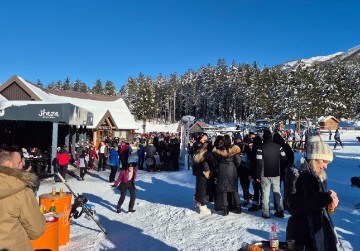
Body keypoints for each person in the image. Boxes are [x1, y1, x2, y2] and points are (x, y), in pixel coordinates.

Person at [285, 139, 341, 250]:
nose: (326, 166)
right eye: (324, 161)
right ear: (314, 157)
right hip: (302, 234)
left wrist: (331, 205)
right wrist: (324, 198)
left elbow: (321, 205)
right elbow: (293, 207)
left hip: (320, 230)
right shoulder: (296, 173)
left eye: (328, 163)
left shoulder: (320, 175)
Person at [0, 146, 46, 251]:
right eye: (19, 162)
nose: (22, 166)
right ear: (8, 164)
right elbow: (36, 230)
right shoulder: (20, 190)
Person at [255, 130, 286, 219]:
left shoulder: (260, 147)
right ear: (271, 137)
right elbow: (284, 157)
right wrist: (280, 165)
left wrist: (257, 175)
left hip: (265, 174)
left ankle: (266, 213)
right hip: (276, 173)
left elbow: (258, 162)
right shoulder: (279, 147)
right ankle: (280, 211)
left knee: (265, 193)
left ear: (263, 137)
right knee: (277, 192)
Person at [212, 134, 242, 216]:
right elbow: (238, 161)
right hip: (232, 169)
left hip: (222, 169)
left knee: (224, 190)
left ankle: (225, 209)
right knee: (234, 189)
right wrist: (235, 166)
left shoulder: (218, 150)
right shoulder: (234, 149)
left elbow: (215, 161)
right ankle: (238, 207)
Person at [193, 141, 215, 215]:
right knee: (204, 190)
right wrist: (208, 172)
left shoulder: (199, 152)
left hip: (199, 173)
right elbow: (208, 163)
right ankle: (203, 208)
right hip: (204, 173)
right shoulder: (207, 153)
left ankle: (200, 204)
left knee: (200, 189)